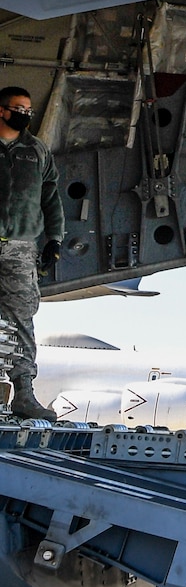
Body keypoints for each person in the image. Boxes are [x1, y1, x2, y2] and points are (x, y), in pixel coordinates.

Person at [0, 86, 64, 422]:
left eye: (28, 109)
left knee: (21, 318)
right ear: (1, 110)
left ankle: (23, 393)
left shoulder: (37, 151)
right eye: (18, 108)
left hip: (21, 246)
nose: (25, 114)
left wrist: (55, 238)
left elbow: (51, 197)